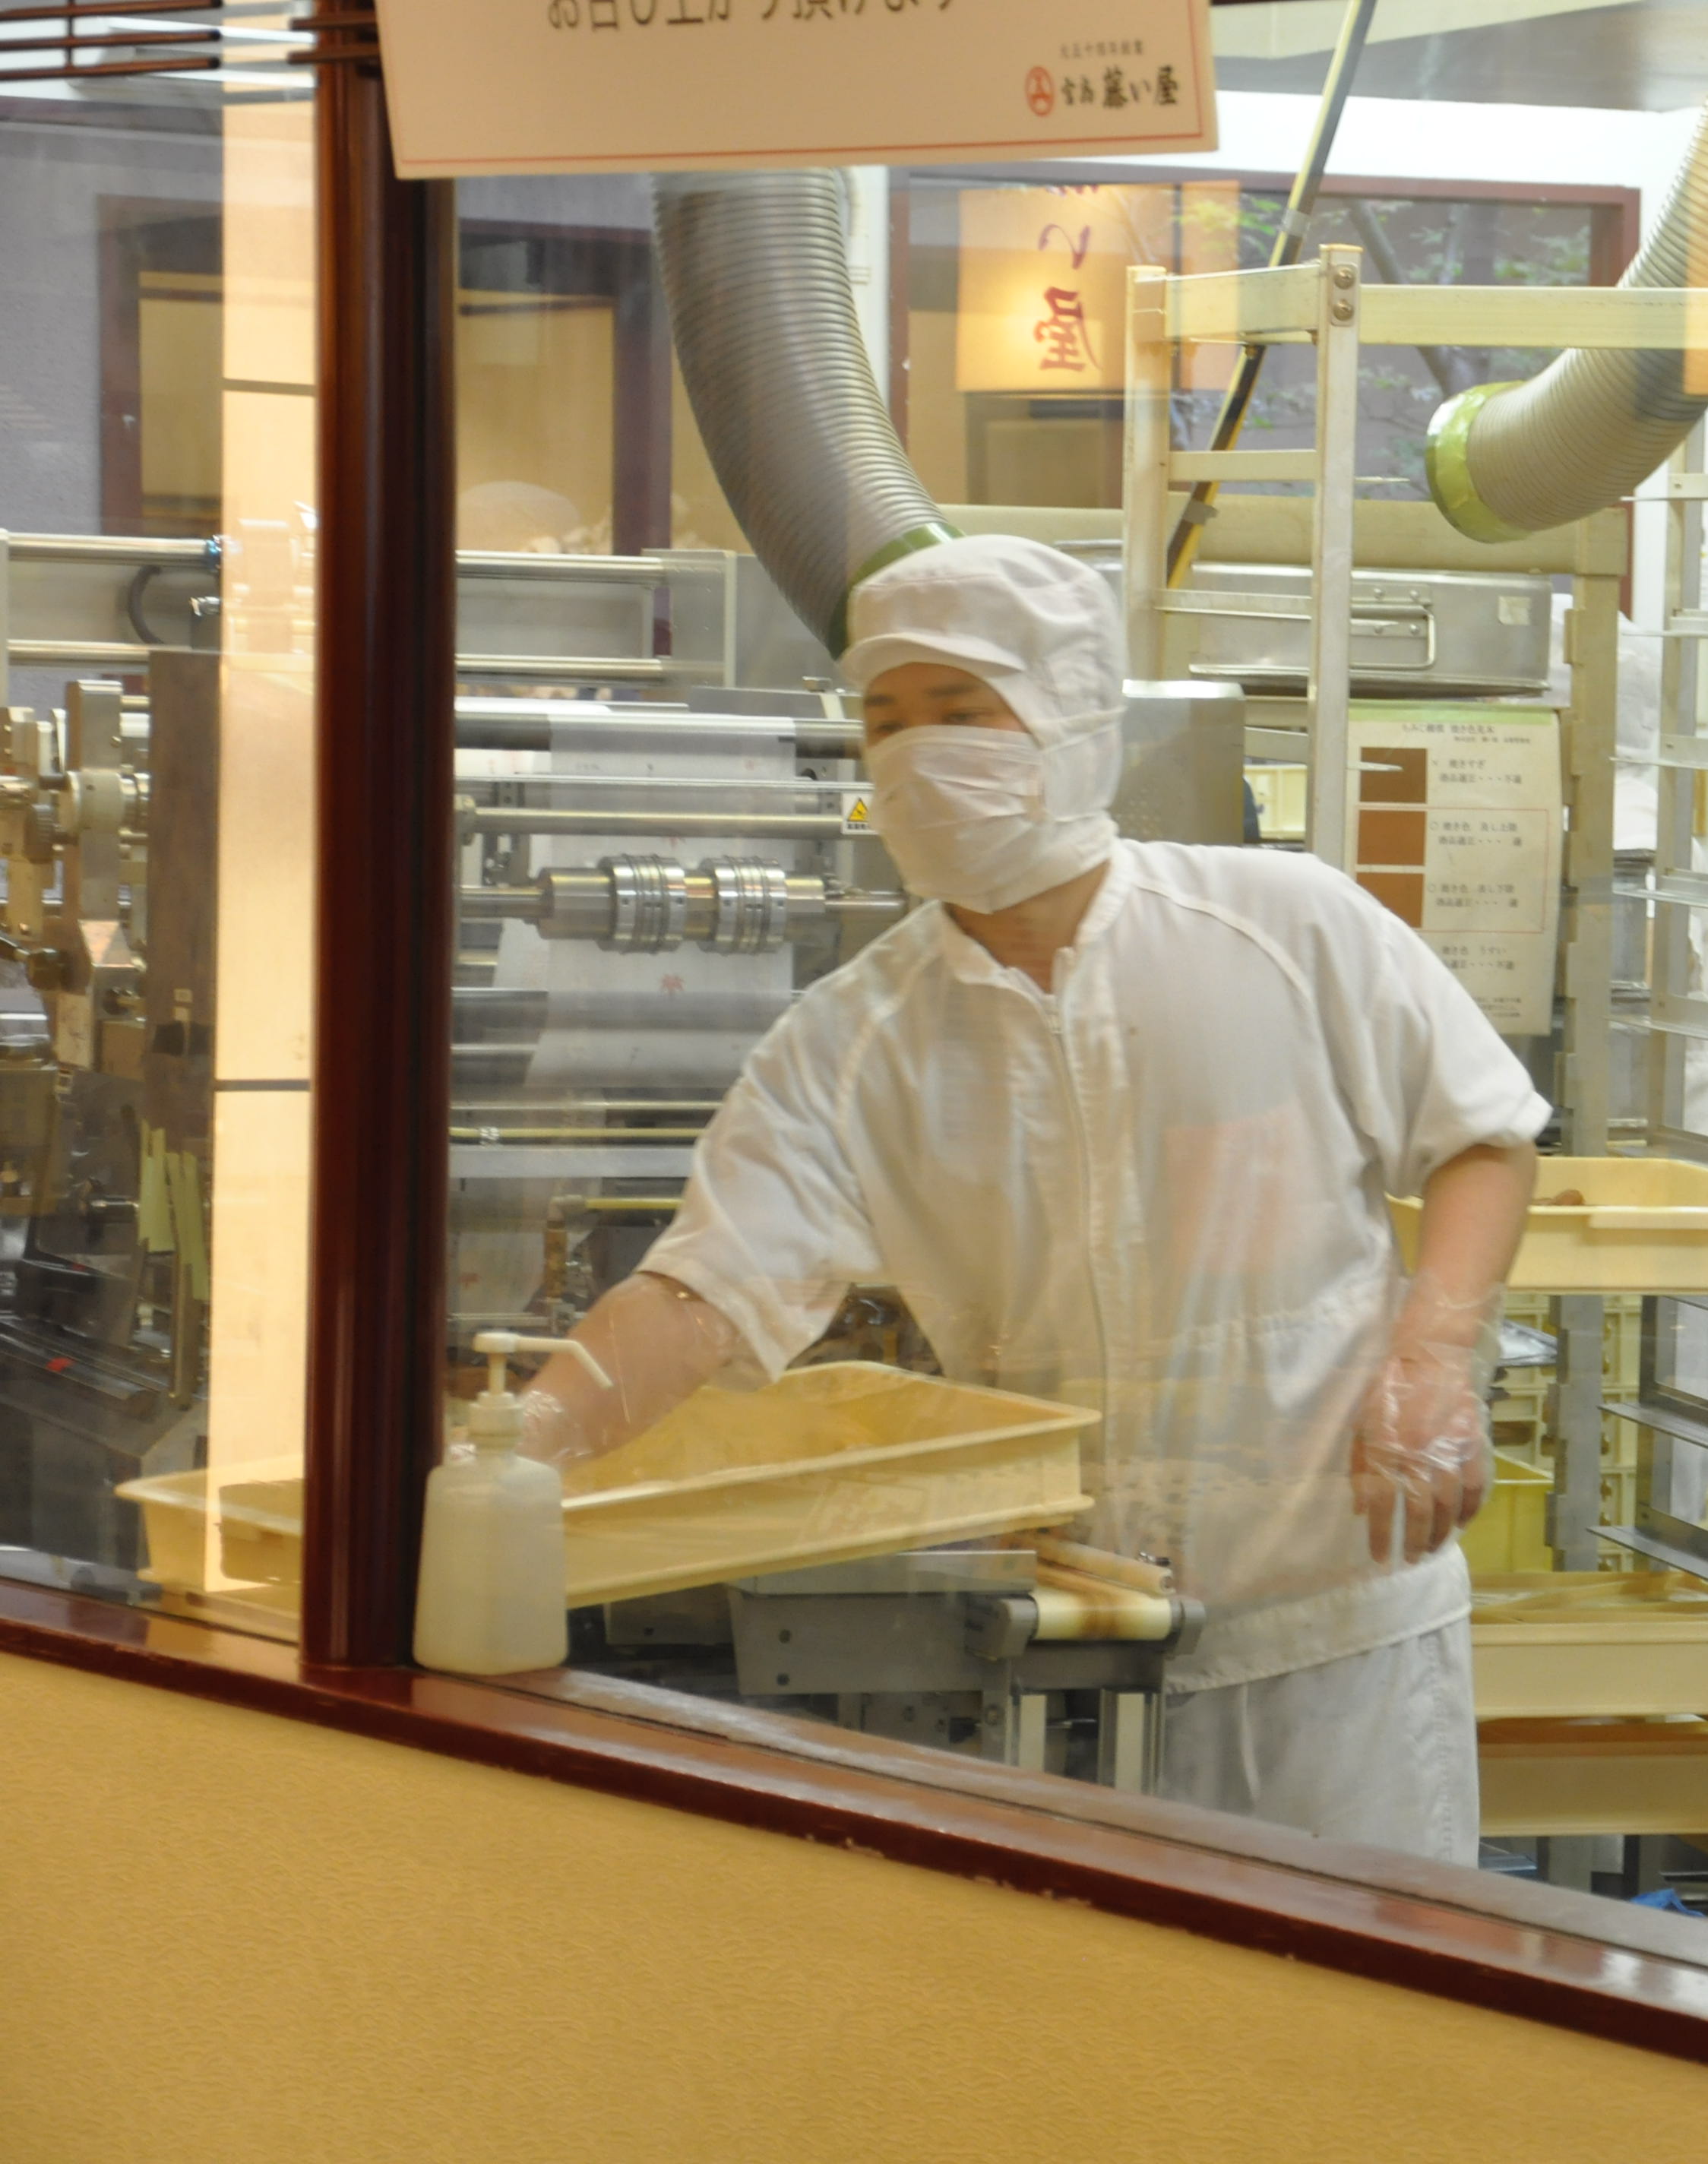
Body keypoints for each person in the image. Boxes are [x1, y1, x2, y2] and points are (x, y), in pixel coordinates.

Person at [514, 534, 1545, 1864]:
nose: (916, 754)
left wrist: (1433, 1357)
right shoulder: (856, 1039)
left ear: (1070, 719)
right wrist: (520, 1450)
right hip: (1074, 1639)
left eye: (961, 709)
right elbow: (700, 1293)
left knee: (1365, 1989)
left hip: (1341, 1630)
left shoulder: (1283, 926)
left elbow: (1483, 1136)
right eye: (886, 719)